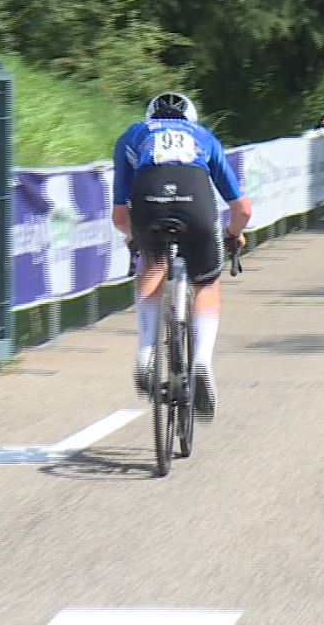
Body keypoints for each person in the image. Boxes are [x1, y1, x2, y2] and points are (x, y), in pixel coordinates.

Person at [112, 92, 253, 419]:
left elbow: (119, 216)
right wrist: (232, 234)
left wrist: (136, 239)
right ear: (190, 118)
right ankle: (201, 360)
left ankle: (145, 354)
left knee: (153, 264)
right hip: (195, 200)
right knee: (207, 282)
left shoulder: (134, 134)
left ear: (150, 116)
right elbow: (243, 209)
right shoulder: (204, 136)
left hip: (149, 199)